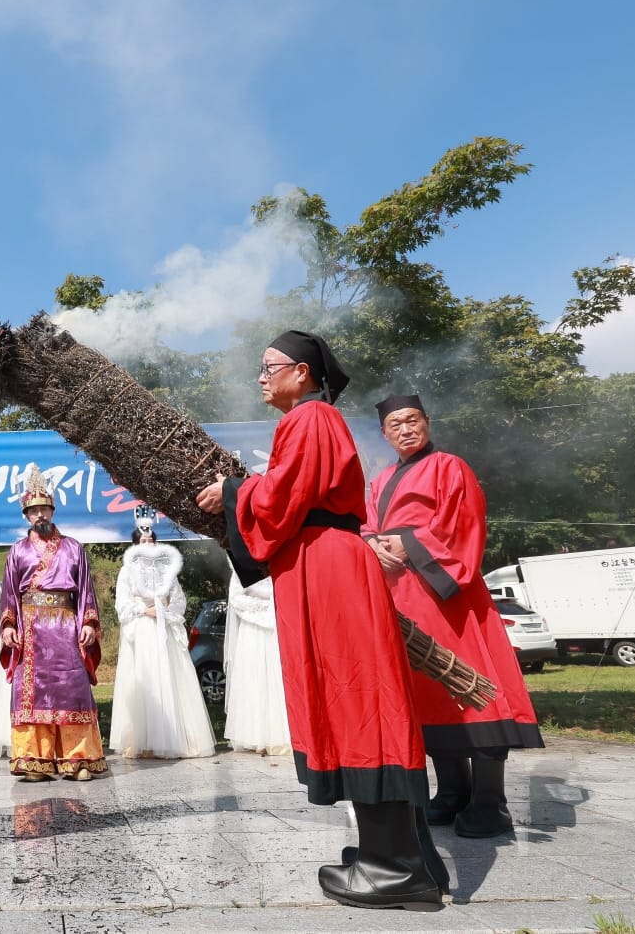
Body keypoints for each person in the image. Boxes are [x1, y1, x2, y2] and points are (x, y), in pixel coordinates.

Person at [196, 331, 442, 911]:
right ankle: (398, 854)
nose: (260, 376)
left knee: (358, 699)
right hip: (321, 566)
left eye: (268, 366)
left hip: (329, 569)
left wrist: (232, 489)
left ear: (301, 373)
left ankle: (397, 869)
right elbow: (289, 491)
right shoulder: (311, 420)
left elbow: (284, 496)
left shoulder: (308, 420)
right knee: (347, 698)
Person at [363, 393, 543, 839]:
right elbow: (368, 524)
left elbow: (463, 523)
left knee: (471, 684)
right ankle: (451, 792)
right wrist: (371, 544)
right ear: (384, 434)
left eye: (412, 420)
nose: (405, 429)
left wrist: (407, 544)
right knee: (430, 692)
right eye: (396, 425)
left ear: (427, 422)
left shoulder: (450, 466)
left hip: (449, 595)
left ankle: (490, 802)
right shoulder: (380, 479)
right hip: (403, 594)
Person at [0, 465, 107, 782]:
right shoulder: (17, 551)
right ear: (26, 515)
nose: (39, 515)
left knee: (72, 689)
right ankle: (35, 760)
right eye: (33, 511)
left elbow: (86, 588)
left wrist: (88, 621)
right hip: (30, 628)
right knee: (29, 691)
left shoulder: (74, 548)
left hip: (66, 627)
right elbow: (8, 593)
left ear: (52, 509)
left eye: (44, 508)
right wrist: (8, 625)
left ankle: (79, 760)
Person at [110, 522, 215, 759]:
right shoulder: (128, 571)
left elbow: (179, 601)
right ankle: (145, 740)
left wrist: (165, 613)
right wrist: (143, 610)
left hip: (164, 627)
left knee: (170, 677)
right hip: (143, 628)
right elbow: (122, 602)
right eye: (143, 542)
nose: (148, 546)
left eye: (151, 541)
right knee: (146, 677)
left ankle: (175, 738)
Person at [223, 568, 291, 756]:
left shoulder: (279, 561)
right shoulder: (240, 565)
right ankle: (256, 735)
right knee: (255, 678)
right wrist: (266, 607)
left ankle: (285, 734)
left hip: (280, 623)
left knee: (280, 678)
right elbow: (236, 598)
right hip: (253, 628)